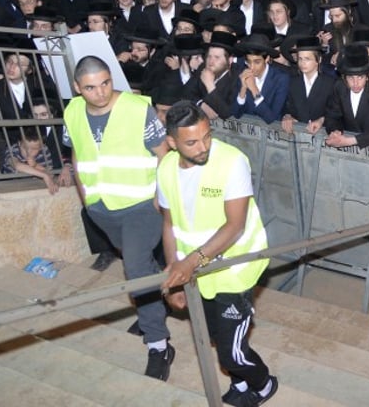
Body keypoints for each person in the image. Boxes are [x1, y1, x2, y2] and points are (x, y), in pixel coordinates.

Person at [158, 101, 278, 406]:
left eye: (207, 136)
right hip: (199, 270)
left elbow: (235, 226)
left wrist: (190, 262)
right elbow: (170, 224)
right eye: (192, 142)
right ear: (172, 142)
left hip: (236, 266)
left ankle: (264, 384)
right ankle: (239, 384)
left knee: (231, 352)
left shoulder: (231, 161)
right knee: (215, 334)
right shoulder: (165, 168)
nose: (203, 147)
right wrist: (174, 273)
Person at [63, 56, 173, 380]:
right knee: (143, 269)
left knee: (135, 267)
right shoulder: (71, 112)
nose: (100, 93)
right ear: (77, 88)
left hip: (142, 205)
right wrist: (86, 198)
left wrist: (161, 197)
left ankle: (159, 343)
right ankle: (153, 301)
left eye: (106, 83)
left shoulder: (138, 108)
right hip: (102, 209)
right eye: (91, 87)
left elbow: (163, 154)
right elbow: (76, 153)